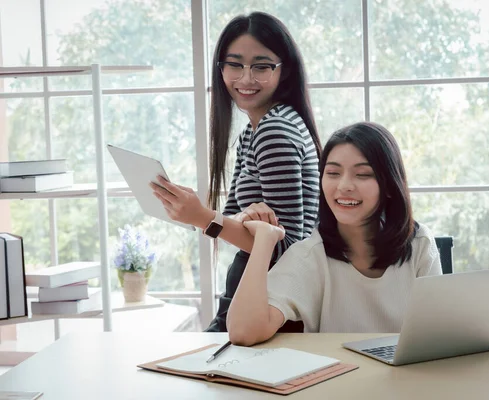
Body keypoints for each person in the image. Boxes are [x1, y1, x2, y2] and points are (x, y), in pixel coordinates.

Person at [151, 12, 321, 332]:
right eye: (234, 64)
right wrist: (205, 215)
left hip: (269, 302)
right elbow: (236, 220)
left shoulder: (275, 131)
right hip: (251, 294)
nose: (245, 79)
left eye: (261, 65)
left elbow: (285, 247)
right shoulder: (254, 129)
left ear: (284, 71)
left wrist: (201, 217)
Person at [227, 122, 443, 346]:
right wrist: (264, 239)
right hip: (338, 378)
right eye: (333, 173)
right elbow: (243, 332)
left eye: (362, 174)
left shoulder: (419, 245)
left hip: (406, 378)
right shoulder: (310, 256)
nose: (344, 185)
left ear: (389, 185)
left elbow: (439, 332)